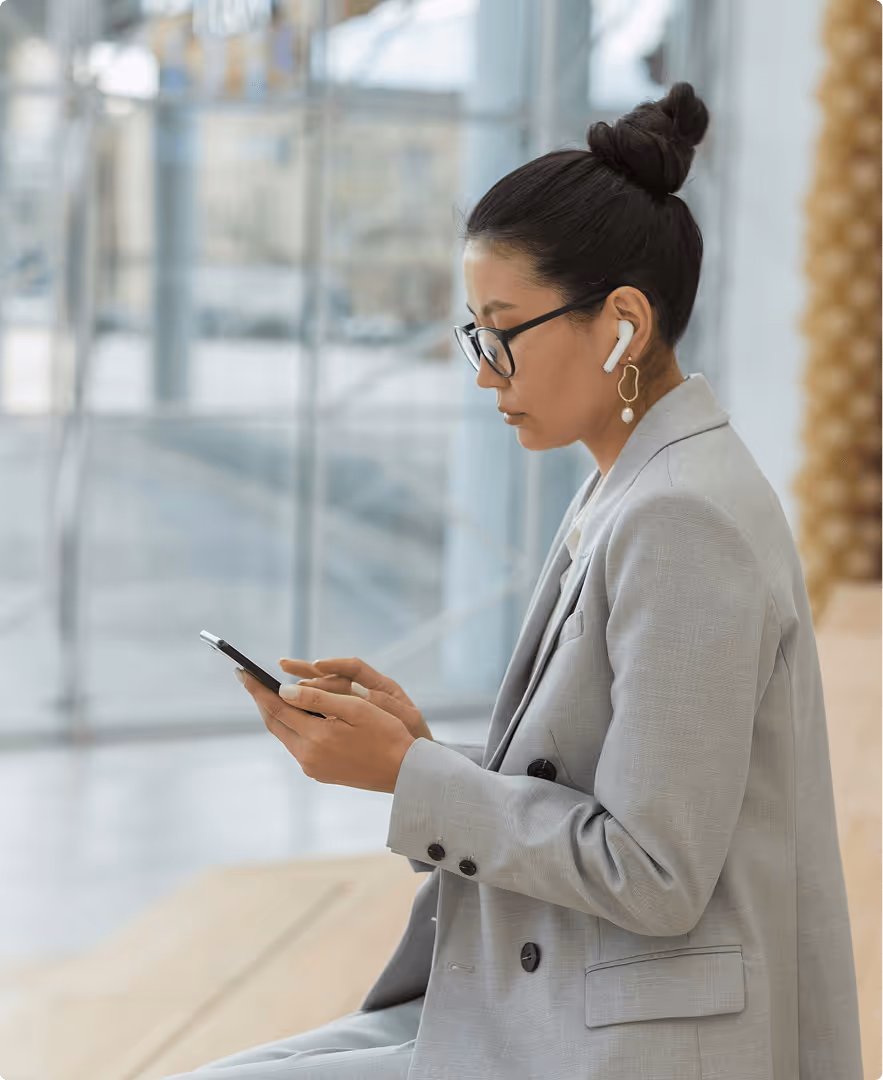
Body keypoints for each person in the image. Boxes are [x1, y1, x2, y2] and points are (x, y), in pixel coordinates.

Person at [164, 82, 864, 1079]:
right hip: (568, 992)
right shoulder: (635, 486)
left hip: (632, 1036)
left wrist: (409, 778)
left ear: (620, 325)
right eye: (471, 333)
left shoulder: (680, 518)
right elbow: (601, 789)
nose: (484, 371)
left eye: (501, 330)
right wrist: (419, 751)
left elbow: (656, 870)